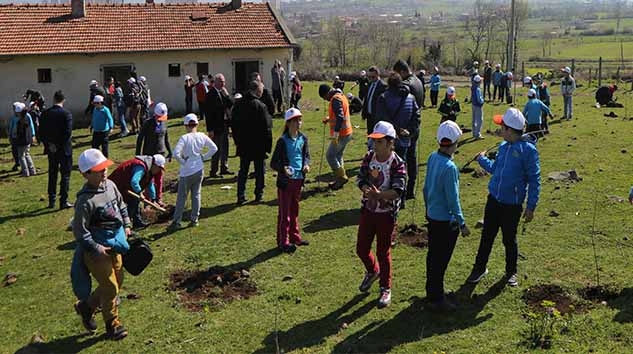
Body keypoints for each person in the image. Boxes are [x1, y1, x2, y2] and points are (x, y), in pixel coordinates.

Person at [466, 108, 541, 288]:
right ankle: (479, 268)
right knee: (487, 236)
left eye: (502, 127)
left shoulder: (528, 151)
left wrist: (531, 206)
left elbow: (534, 179)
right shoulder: (503, 146)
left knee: (509, 239)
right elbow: (495, 169)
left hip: (512, 206)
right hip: (494, 200)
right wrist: (482, 159)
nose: (500, 130)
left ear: (510, 130)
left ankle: (511, 272)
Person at [71, 148, 130, 340]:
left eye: (105, 167)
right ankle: (112, 324)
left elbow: (121, 205)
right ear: (86, 174)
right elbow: (80, 231)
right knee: (110, 286)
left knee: (118, 280)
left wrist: (127, 225)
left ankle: (87, 306)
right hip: (96, 252)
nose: (104, 172)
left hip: (116, 243)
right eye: (99, 169)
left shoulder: (110, 185)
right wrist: (96, 248)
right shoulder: (84, 201)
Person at [356, 121, 407, 308]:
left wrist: (380, 195)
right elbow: (361, 178)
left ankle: (385, 288)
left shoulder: (397, 163)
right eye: (373, 141)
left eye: (378, 141)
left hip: (386, 215)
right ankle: (372, 271)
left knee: (383, 251)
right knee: (361, 248)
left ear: (389, 142)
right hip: (368, 210)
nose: (374, 145)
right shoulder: (369, 157)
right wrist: (365, 188)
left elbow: (398, 190)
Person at [423, 120, 470, 310]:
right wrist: (462, 223)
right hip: (445, 221)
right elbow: (453, 200)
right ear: (455, 143)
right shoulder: (450, 168)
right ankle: (436, 298)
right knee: (441, 259)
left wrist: (428, 209)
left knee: (433, 256)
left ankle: (432, 290)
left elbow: (426, 188)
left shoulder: (432, 157)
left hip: (432, 216)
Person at [270, 108, 311, 253]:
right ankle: (283, 241)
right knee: (285, 212)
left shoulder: (303, 139)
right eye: (294, 121)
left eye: (299, 120)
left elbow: (306, 155)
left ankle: (295, 236)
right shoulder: (282, 141)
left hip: (298, 179)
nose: (297, 123)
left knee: (295, 210)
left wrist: (306, 164)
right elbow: (273, 162)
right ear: (288, 123)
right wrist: (283, 169)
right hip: (286, 182)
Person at [374, 72, 419, 204]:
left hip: (387, 141)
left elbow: (381, 119)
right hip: (404, 140)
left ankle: (388, 198)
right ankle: (402, 197)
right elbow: (416, 118)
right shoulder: (411, 98)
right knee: (401, 170)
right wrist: (409, 131)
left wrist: (394, 131)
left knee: (387, 171)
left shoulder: (383, 98)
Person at [168, 114, 218, 231]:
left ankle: (176, 222)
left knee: (182, 197)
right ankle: (194, 219)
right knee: (196, 195)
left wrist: (183, 162)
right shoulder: (202, 136)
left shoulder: (184, 138)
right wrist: (204, 157)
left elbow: (176, 153)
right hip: (199, 169)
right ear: (197, 124)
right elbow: (214, 148)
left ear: (186, 125)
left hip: (186, 172)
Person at [231, 80, 273, 205]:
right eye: (261, 89)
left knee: (243, 170)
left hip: (243, 143)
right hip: (258, 145)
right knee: (259, 171)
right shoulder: (260, 106)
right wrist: (267, 146)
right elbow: (267, 127)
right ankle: (258, 194)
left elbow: (234, 125)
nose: (262, 91)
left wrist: (237, 141)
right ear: (256, 90)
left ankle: (240, 195)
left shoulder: (239, 105)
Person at [108, 154, 166, 229]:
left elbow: (150, 184)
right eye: (159, 168)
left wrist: (153, 199)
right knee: (124, 205)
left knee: (135, 202)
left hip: (127, 187)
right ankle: (123, 226)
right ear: (154, 165)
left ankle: (137, 222)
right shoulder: (140, 166)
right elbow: (134, 181)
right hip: (117, 185)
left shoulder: (149, 171)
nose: (159, 171)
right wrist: (139, 193)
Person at [40, 90, 73, 210]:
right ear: (63, 100)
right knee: (65, 175)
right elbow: (67, 133)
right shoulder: (66, 114)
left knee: (52, 174)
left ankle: (51, 200)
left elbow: (41, 132)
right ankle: (63, 200)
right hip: (64, 149)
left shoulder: (45, 113)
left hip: (51, 149)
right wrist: (59, 145)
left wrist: (49, 145)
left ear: (54, 99)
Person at [136, 102, 171, 206]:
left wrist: (170, 151)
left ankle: (158, 199)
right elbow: (140, 139)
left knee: (159, 179)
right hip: (149, 155)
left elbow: (166, 138)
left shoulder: (164, 123)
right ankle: (149, 201)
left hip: (161, 154)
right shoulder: (148, 123)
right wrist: (138, 153)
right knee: (148, 179)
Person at [319, 83, 353, 189]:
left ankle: (341, 177)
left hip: (341, 133)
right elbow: (339, 113)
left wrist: (336, 132)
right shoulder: (341, 95)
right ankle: (340, 179)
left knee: (330, 155)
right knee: (338, 155)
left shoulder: (335, 99)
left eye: (325, 98)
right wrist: (329, 118)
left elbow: (340, 116)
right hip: (347, 132)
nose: (326, 100)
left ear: (326, 94)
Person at [206, 73, 234, 177]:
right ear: (216, 82)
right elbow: (208, 114)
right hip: (216, 126)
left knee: (225, 147)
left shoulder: (223, 93)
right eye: (221, 82)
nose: (223, 84)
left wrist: (226, 95)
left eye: (224, 82)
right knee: (216, 149)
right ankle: (214, 171)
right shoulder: (210, 95)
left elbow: (231, 104)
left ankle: (224, 167)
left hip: (224, 125)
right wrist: (210, 130)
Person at [362, 66, 387, 146]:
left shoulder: (383, 86)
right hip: (369, 115)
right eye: (369, 77)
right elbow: (367, 99)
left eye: (373, 77)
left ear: (377, 75)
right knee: (370, 134)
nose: (371, 78)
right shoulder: (369, 84)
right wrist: (364, 112)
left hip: (377, 117)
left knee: (377, 136)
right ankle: (370, 152)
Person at [10, 102, 36, 177]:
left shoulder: (21, 121)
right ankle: (32, 170)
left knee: (21, 156)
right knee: (27, 154)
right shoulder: (26, 118)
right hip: (27, 140)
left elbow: (18, 132)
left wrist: (13, 137)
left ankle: (25, 172)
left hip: (21, 140)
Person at [471, 75, 485, 139]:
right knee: (479, 120)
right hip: (478, 106)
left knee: (474, 120)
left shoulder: (473, 87)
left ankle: (474, 133)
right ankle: (477, 134)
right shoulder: (478, 89)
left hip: (473, 105)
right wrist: (482, 101)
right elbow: (479, 99)